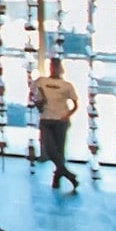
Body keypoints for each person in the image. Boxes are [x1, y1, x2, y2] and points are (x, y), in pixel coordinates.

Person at [31, 58, 81, 191]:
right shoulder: (41, 82)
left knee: (59, 151)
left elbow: (76, 104)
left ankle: (57, 178)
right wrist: (38, 103)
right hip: (46, 119)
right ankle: (69, 175)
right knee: (49, 149)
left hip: (60, 121)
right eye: (52, 66)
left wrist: (67, 115)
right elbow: (33, 96)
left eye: (56, 67)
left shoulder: (67, 85)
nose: (54, 69)